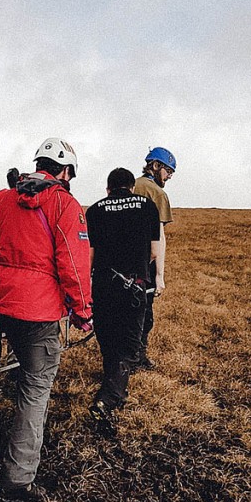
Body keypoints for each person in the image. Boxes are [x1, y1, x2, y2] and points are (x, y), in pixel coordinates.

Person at [0, 137, 93, 502]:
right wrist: (82, 310)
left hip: (0, 302)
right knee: (35, 387)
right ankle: (17, 479)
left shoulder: (1, 199)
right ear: (65, 171)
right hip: (39, 310)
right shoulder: (65, 203)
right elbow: (73, 263)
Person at [86, 168, 162, 425]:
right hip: (134, 285)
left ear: (108, 189)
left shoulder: (95, 210)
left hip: (104, 284)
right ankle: (109, 398)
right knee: (128, 342)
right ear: (131, 187)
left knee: (107, 335)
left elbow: (90, 255)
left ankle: (112, 387)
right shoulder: (148, 206)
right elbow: (153, 251)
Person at [132, 147, 175, 370]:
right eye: (168, 171)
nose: (169, 177)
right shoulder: (158, 194)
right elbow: (159, 237)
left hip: (117, 262)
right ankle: (138, 357)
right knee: (144, 314)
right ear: (156, 166)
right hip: (144, 263)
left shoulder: (130, 185)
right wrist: (159, 275)